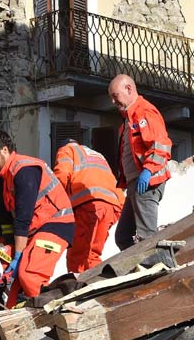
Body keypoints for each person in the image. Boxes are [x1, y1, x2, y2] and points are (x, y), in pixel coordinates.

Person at [0, 129, 75, 308]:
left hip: (55, 225)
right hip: (37, 230)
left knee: (30, 275)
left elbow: (22, 218)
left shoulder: (23, 169)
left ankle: (50, 317)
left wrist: (17, 255)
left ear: (5, 150)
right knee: (14, 289)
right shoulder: (6, 177)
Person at [108, 74, 172, 251]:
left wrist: (148, 171)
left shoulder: (144, 112)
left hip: (147, 182)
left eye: (115, 96)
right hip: (135, 184)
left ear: (128, 89)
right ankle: (137, 268)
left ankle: (153, 268)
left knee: (147, 236)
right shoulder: (128, 120)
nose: (113, 102)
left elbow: (161, 145)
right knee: (122, 237)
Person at [54, 140, 125, 273]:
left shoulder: (67, 150)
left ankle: (77, 290)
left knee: (78, 256)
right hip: (110, 207)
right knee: (92, 256)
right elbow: (114, 183)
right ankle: (98, 288)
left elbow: (61, 175)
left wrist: (53, 203)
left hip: (87, 206)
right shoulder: (98, 156)